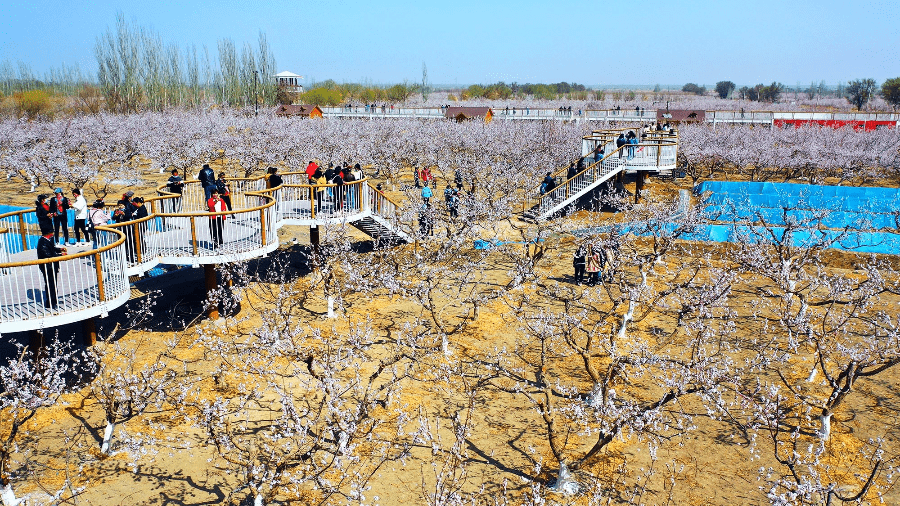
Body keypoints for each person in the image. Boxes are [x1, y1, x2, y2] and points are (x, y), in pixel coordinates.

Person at [36, 230, 66, 309]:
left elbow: (52, 249)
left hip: (52, 266)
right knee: (50, 284)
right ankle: (50, 302)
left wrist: (59, 250)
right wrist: (60, 255)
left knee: (53, 284)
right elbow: (48, 255)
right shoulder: (42, 243)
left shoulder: (48, 240)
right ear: (49, 233)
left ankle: (54, 300)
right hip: (47, 267)